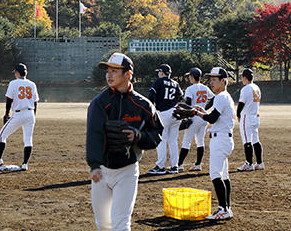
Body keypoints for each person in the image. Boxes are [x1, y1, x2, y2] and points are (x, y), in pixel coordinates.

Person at [86, 53, 162, 231]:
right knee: (103, 225)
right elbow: (94, 135)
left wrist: (139, 137)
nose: (109, 75)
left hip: (127, 171)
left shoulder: (143, 105)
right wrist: (95, 164)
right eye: (107, 71)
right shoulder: (99, 103)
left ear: (128, 74)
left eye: (114, 71)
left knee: (121, 224)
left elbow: (157, 133)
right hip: (102, 171)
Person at [194, 67, 235, 220]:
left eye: (214, 79)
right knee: (224, 176)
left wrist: (197, 113)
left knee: (215, 174)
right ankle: (226, 208)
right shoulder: (226, 96)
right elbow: (213, 116)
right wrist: (202, 112)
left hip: (220, 139)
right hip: (225, 138)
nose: (211, 82)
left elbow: (212, 119)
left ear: (223, 81)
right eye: (210, 79)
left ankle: (223, 209)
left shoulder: (220, 97)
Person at [0, 63, 39, 171]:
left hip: (19, 114)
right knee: (28, 140)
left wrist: (6, 114)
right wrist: (34, 116)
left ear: (18, 73)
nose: (15, 74)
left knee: (1, 135)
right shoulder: (32, 84)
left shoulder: (13, 83)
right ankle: (25, 164)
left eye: (15, 72)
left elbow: (9, 100)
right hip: (30, 113)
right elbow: (35, 102)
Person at [147, 64, 183, 174]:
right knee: (173, 141)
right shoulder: (175, 83)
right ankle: (174, 166)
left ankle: (160, 166)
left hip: (163, 113)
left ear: (162, 72)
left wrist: (151, 107)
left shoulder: (159, 81)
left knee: (161, 140)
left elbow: (151, 95)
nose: (158, 73)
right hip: (175, 113)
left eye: (159, 71)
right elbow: (181, 96)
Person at [177, 68, 215, 171]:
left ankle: (179, 165)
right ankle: (198, 164)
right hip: (203, 117)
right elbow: (213, 98)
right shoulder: (205, 87)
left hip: (194, 117)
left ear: (192, 77)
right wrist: (204, 108)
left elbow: (188, 102)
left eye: (190, 76)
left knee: (186, 141)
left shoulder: (190, 89)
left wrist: (187, 112)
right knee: (200, 141)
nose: (189, 77)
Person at [236, 68, 264, 171]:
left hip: (246, 117)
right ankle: (260, 163)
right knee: (255, 140)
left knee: (247, 141)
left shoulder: (246, 88)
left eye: (242, 77)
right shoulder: (256, 87)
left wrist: (238, 114)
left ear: (245, 77)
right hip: (255, 116)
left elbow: (241, 104)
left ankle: (249, 163)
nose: (241, 79)